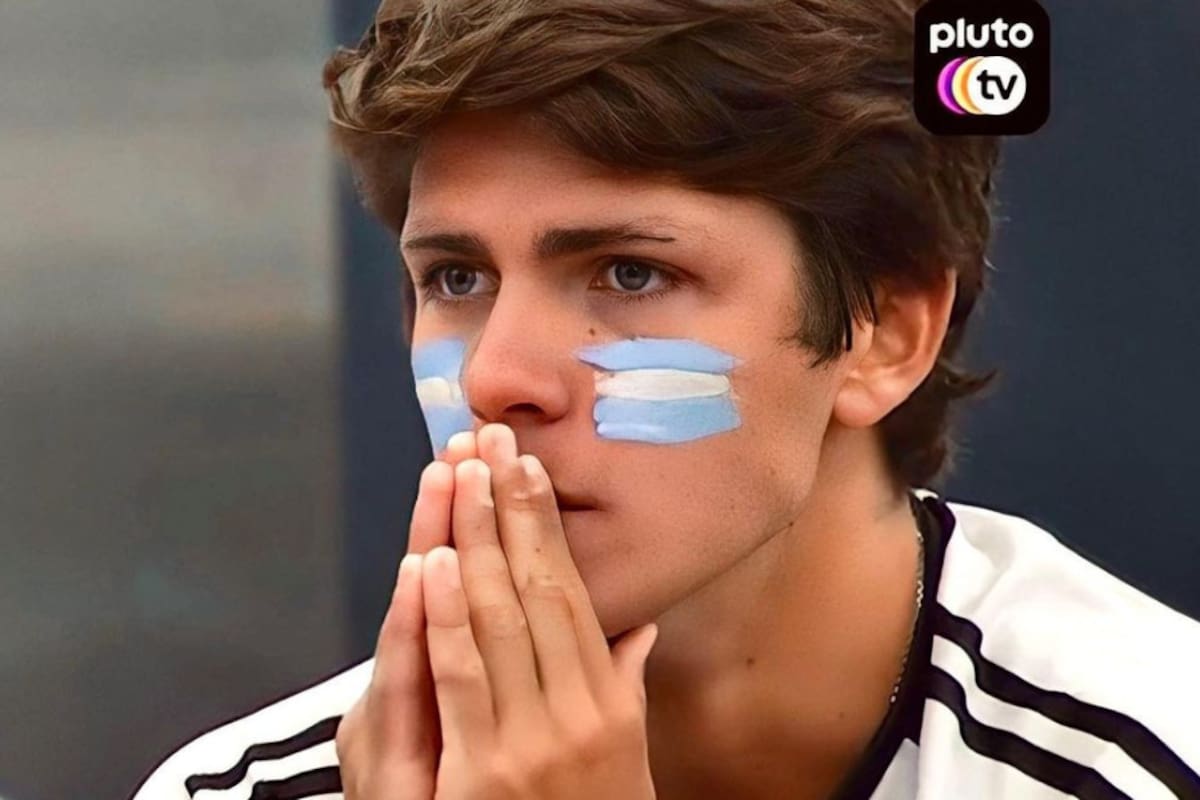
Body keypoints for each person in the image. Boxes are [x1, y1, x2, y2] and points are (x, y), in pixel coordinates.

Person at [132, 1, 1200, 798]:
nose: (500, 377)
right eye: (457, 278)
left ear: (886, 332)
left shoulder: (1152, 755)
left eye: (628, 274)